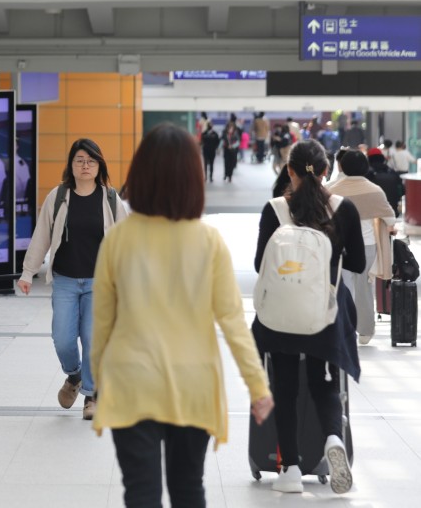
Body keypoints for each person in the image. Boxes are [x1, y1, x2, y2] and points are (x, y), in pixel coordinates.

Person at [91, 123, 273, 508]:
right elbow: (233, 321)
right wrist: (257, 387)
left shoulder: (118, 240)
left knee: (141, 495)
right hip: (193, 383)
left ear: (140, 174)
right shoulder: (208, 242)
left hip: (131, 380)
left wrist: (99, 382)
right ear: (193, 178)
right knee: (189, 490)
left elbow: (102, 323)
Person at [252, 139, 365, 495]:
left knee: (283, 386)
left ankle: (290, 470)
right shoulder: (343, 209)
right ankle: (333, 437)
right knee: (324, 380)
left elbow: (259, 265)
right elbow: (359, 264)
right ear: (327, 171)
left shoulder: (274, 209)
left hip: (281, 315)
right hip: (325, 313)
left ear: (289, 171)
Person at [17, 138, 128, 420]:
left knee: (93, 338)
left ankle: (91, 396)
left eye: (91, 161)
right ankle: (74, 376)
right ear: (71, 165)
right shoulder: (58, 197)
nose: (85, 165)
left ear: (99, 164)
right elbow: (41, 236)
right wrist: (28, 272)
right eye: (79, 160)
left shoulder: (111, 199)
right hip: (65, 280)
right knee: (63, 340)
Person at [329, 149, 396, 345]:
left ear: (342, 166)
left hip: (338, 246)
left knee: (340, 286)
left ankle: (341, 325)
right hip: (366, 246)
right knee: (364, 288)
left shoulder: (332, 189)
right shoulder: (374, 190)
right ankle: (365, 331)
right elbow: (390, 217)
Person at [366, 147, 403, 217]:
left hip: (373, 215)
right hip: (392, 212)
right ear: (382, 158)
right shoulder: (393, 172)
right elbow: (402, 191)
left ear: (369, 159)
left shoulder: (366, 174)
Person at [222, 118, 240, 182]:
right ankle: (226, 174)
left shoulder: (235, 134)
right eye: (229, 128)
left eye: (232, 128)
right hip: (226, 150)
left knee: (231, 164)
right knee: (226, 163)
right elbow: (222, 141)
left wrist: (232, 146)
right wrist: (224, 146)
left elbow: (238, 142)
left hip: (233, 151)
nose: (230, 129)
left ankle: (230, 176)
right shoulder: (225, 134)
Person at [14, 137, 30, 202]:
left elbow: (26, 184)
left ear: (17, 147)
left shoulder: (20, 163)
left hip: (18, 200)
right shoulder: (5, 160)